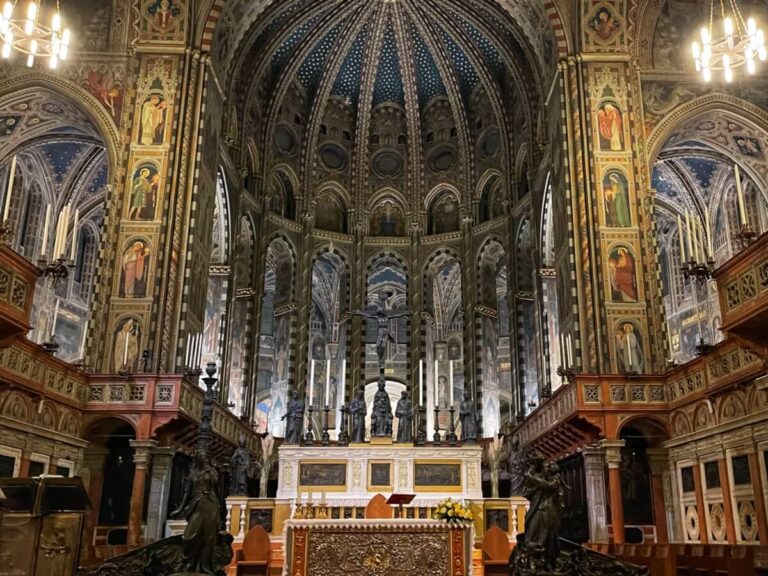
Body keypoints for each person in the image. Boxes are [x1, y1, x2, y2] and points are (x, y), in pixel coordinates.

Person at [171, 450, 220, 575]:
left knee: (209, 537)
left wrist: (219, 507)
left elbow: (217, 490)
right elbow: (187, 493)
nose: (205, 459)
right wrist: (180, 509)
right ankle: (189, 563)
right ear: (197, 458)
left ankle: (205, 567)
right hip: (196, 504)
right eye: (202, 457)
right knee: (189, 535)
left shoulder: (212, 472)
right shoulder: (192, 474)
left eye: (206, 457)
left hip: (210, 504)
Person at [523, 454, 562, 568]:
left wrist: (533, 479)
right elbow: (525, 492)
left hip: (547, 509)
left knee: (548, 536)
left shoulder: (554, 478)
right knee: (532, 532)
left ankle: (547, 562)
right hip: (537, 509)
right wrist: (532, 480)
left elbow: (549, 486)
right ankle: (533, 560)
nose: (546, 467)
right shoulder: (534, 478)